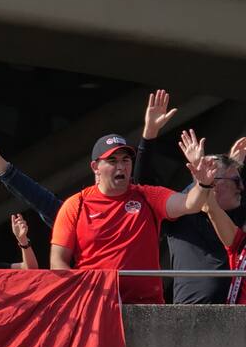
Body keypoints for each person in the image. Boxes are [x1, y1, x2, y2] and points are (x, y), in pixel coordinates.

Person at [50, 131, 220, 304]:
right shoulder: (76, 204)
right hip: (95, 306)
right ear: (95, 167)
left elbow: (190, 204)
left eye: (126, 160)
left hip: (145, 307)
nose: (121, 166)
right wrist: (85, 294)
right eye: (112, 161)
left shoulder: (147, 196)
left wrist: (203, 183)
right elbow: (57, 261)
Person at [132, 89, 246, 303]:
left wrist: (233, 162)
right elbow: (143, 189)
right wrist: (150, 133)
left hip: (233, 317)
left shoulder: (235, 213)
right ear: (214, 184)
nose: (241, 187)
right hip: (188, 318)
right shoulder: (183, 211)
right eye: (236, 181)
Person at [200, 157, 246, 304]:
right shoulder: (239, 242)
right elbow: (210, 207)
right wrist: (202, 176)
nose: (242, 188)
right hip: (235, 323)